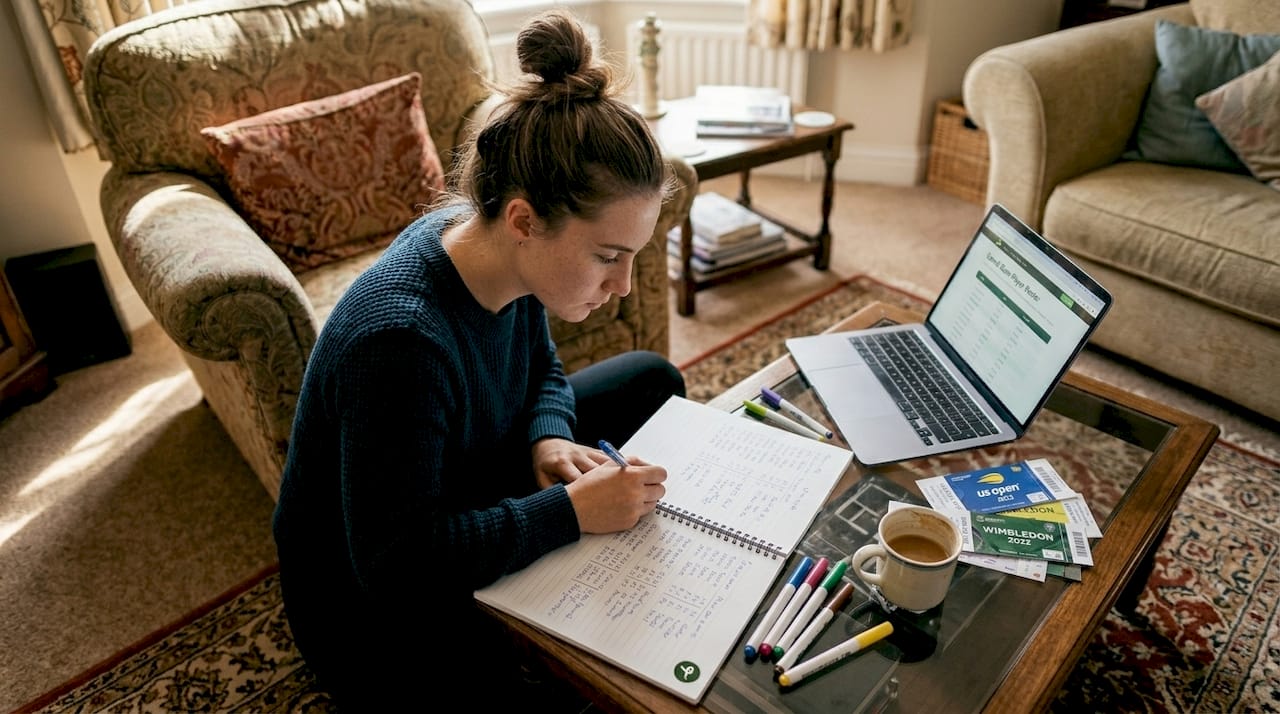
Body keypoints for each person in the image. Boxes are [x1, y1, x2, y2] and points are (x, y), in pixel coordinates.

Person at [271, 8, 686, 709]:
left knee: (652, 377)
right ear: (525, 221)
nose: (622, 287)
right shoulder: (399, 342)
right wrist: (567, 513)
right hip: (365, 600)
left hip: (453, 472)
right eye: (608, 257)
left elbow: (542, 372)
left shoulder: (493, 247)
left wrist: (550, 437)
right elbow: (396, 565)